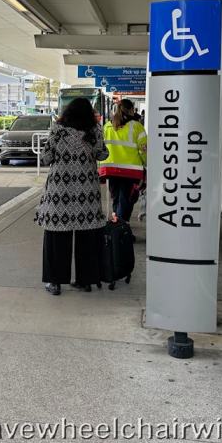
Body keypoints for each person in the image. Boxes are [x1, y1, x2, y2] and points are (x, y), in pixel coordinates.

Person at [35, 98, 109, 296]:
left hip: (60, 191)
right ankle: (86, 280)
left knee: (57, 235)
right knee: (87, 235)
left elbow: (46, 157)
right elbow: (103, 155)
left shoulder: (58, 130)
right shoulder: (95, 130)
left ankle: (55, 281)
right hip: (87, 192)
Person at [99, 99, 147, 226]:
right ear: (131, 110)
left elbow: (101, 148)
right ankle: (121, 228)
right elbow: (144, 150)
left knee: (117, 199)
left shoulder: (107, 126)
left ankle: (118, 226)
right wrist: (146, 164)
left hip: (110, 169)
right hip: (130, 170)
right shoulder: (136, 126)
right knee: (127, 200)